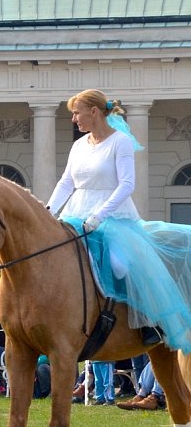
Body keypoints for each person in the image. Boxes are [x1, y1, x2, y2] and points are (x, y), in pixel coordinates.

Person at [46, 90, 191, 349]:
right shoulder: (78, 145)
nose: (74, 119)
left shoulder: (120, 141)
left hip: (113, 216)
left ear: (94, 112)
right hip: (76, 212)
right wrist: (47, 213)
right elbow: (66, 183)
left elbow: (126, 185)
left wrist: (99, 215)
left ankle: (150, 322)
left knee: (121, 263)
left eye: (77, 112)